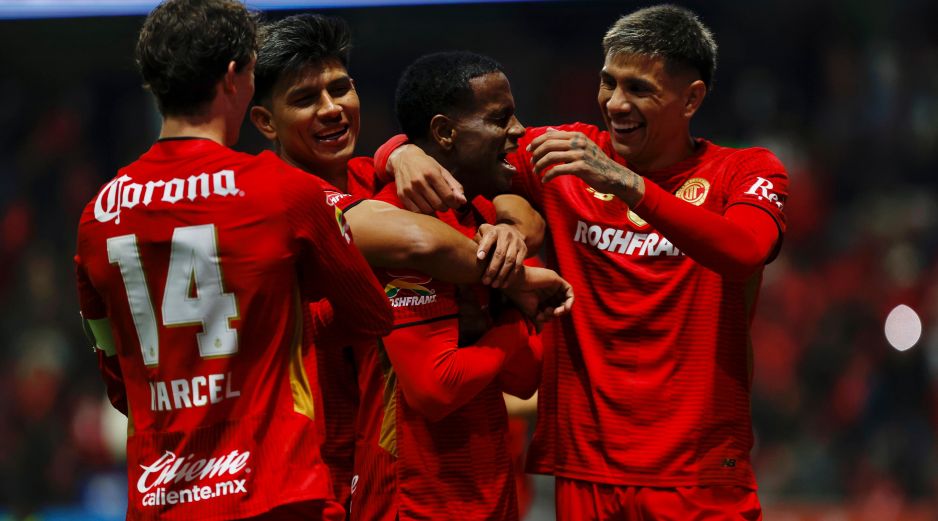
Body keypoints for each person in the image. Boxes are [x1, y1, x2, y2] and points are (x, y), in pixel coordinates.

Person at [377, 5, 789, 519]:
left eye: (639, 89)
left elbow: (744, 251)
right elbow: (464, 143)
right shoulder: (569, 153)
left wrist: (629, 185)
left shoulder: (744, 171)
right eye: (608, 82)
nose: (615, 103)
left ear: (692, 99)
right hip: (586, 470)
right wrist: (398, 150)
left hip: (698, 472)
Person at [73, 1, 392, 519]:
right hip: (276, 495)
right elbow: (373, 315)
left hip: (161, 500)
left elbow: (116, 374)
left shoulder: (97, 216)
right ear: (234, 76)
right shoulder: (281, 191)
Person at [248, 16, 567, 518]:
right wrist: (515, 276)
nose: (332, 109)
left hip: (370, 459)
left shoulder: (370, 177)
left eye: (340, 89)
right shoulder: (273, 198)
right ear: (266, 122)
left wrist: (505, 223)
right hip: (304, 467)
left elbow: (520, 212)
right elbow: (421, 246)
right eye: (306, 99)